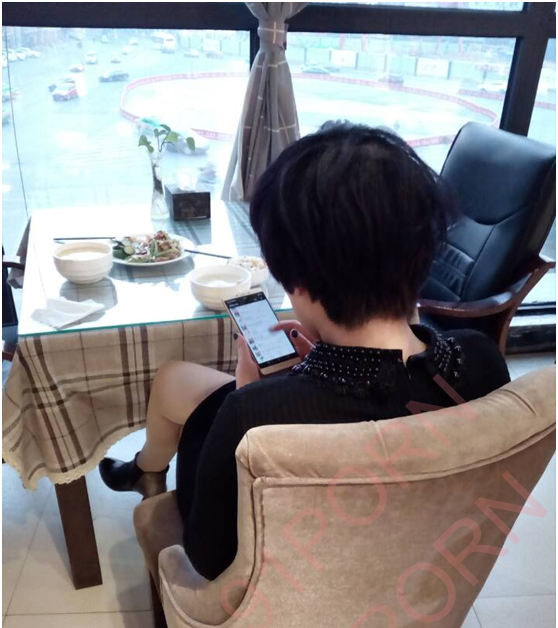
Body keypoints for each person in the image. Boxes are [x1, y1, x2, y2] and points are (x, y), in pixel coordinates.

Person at [100, 122, 510, 580]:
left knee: (185, 392)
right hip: (416, 565)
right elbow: (392, 394)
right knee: (180, 383)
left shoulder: (254, 416)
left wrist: (249, 397)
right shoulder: (482, 361)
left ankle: (146, 469)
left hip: (284, 585)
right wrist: (321, 363)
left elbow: (207, 556)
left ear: (297, 280)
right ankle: (145, 468)